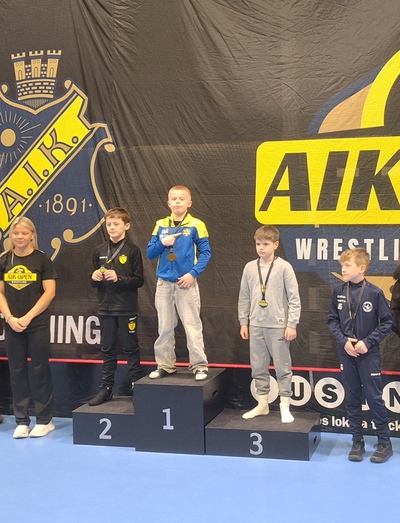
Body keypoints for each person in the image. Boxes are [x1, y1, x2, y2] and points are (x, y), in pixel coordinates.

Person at [327, 248, 393, 463]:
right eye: (342, 265)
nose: (343, 269)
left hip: (368, 353)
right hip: (347, 352)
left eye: (348, 265)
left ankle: (384, 443)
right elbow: (332, 321)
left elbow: (387, 322)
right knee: (352, 397)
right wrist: (344, 341)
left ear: (362, 268)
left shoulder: (374, 293)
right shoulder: (338, 291)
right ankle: (357, 441)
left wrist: (368, 341)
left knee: (374, 397)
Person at [0, 216, 57, 438]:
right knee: (17, 370)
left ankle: (45, 420)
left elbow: (49, 292)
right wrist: (10, 318)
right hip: (12, 324)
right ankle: (22, 421)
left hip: (37, 323)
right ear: (11, 236)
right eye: (16, 233)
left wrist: (28, 317)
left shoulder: (42, 260)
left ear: (32, 235)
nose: (20, 237)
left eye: (24, 233)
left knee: (40, 369)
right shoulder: (4, 260)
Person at [146, 185, 210, 380]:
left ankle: (199, 365)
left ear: (189, 203)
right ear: (168, 203)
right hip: (164, 283)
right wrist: (162, 243)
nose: (177, 202)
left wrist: (192, 274)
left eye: (181, 199)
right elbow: (150, 253)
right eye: (173, 199)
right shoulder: (160, 224)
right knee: (164, 326)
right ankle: (165, 365)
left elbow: (206, 253)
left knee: (192, 325)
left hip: (186, 283)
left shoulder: (196, 225)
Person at [238, 225, 301, 423]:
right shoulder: (250, 267)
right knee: (258, 366)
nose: (261, 247)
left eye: (265, 244)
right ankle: (262, 403)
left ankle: (284, 406)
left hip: (278, 326)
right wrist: (244, 321)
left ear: (275, 245)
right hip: (256, 324)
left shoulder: (284, 267)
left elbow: (294, 298)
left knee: (282, 367)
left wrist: (292, 324)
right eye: (258, 244)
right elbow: (244, 297)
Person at [88, 207, 144, 406]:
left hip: (126, 308)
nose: (112, 227)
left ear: (126, 226)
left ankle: (137, 388)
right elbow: (92, 282)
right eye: (109, 224)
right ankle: (106, 389)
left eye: (116, 224)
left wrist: (119, 278)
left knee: (131, 348)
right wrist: (94, 277)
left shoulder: (132, 250)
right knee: (107, 349)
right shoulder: (99, 250)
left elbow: (139, 280)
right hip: (105, 308)